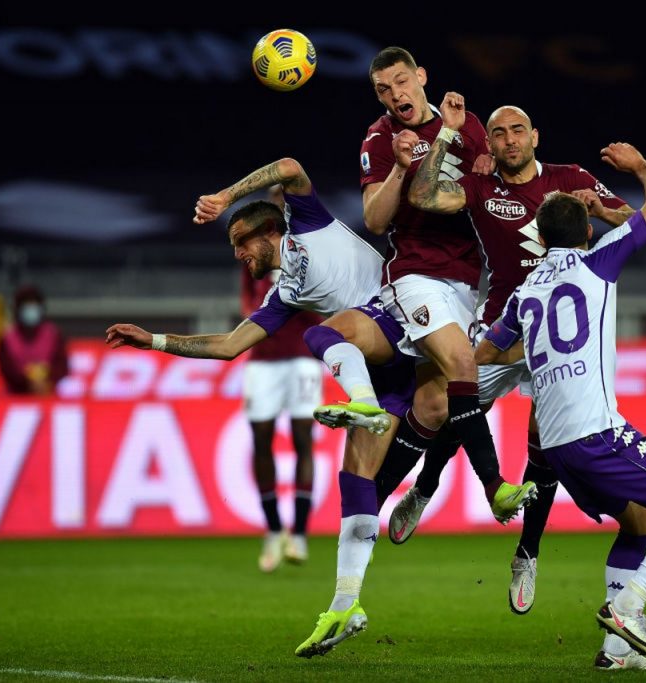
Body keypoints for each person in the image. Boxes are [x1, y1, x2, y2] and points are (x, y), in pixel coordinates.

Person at [105, 157, 415, 658]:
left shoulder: (308, 222)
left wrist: (226, 196)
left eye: (241, 244)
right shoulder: (285, 292)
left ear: (269, 232)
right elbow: (229, 345)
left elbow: (291, 167)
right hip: (381, 367)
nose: (238, 256)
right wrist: (154, 340)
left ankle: (401, 454)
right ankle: (345, 603)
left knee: (325, 335)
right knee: (355, 485)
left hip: (403, 326)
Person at [384, 98, 646, 650]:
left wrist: (596, 208)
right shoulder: (480, 186)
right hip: (504, 324)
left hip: (558, 337)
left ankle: (527, 552)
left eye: (516, 130)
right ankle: (423, 488)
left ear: (535, 136)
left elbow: (630, 218)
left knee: (542, 445)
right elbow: (424, 195)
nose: (506, 139)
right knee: (448, 405)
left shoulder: (569, 177)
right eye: (498, 132)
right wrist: (450, 139)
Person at [475, 142, 646, 667]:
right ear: (586, 233)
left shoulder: (524, 293)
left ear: (539, 239)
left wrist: (539, 349)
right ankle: (628, 607)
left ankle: (615, 652)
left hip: (557, 454)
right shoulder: (599, 261)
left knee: (637, 522)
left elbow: (486, 350)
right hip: (600, 436)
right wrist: (638, 168)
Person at [357, 46, 536, 522]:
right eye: (383, 90)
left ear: (421, 76)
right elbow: (374, 220)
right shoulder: (381, 137)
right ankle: (495, 486)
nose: (395, 96)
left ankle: (380, 497)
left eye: (400, 82)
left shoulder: (471, 124)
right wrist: (402, 164)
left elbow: (501, 183)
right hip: (415, 274)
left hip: (466, 282)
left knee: (437, 406)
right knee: (463, 363)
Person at [240, 265, 323, 572]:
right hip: (262, 359)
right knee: (261, 442)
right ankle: (274, 530)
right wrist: (255, 317)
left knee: (303, 439)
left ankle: (299, 534)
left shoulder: (307, 247)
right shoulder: (253, 247)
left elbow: (325, 299)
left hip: (303, 354)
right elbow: (247, 298)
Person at [0, 284, 69, 395]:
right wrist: (26, 383)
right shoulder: (8, 336)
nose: (31, 312)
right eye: (27, 307)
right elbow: (6, 368)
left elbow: (62, 364)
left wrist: (49, 381)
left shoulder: (52, 334)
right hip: (18, 394)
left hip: (48, 393)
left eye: (34, 306)